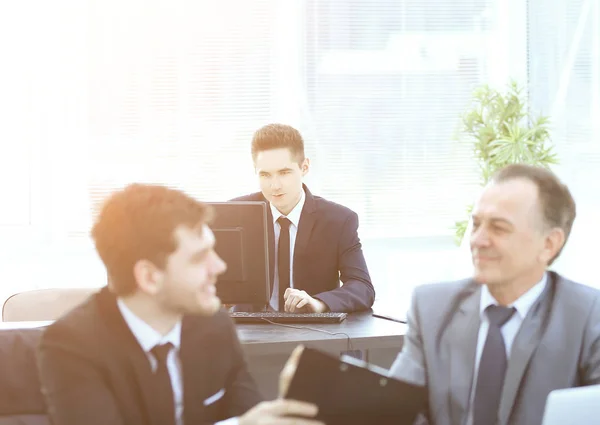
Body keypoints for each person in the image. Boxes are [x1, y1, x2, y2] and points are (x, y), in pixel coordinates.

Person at [36, 184, 324, 425]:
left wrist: (283, 410)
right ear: (149, 277)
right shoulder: (71, 347)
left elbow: (246, 414)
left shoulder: (214, 324)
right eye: (200, 258)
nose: (220, 266)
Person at [389, 164, 600, 425]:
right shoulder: (431, 308)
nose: (478, 240)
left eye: (499, 228)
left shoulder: (589, 318)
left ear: (549, 244)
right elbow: (394, 412)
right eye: (476, 224)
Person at [233, 123, 374, 313]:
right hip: (249, 333)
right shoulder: (236, 214)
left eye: (284, 173)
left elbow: (362, 287)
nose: (275, 185)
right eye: (265, 174)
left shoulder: (339, 220)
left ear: (304, 167)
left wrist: (318, 303)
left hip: (311, 331)